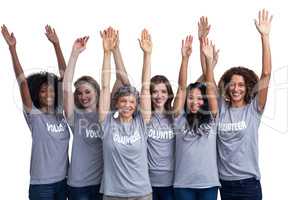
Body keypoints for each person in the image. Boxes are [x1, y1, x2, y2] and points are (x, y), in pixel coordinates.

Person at [1, 25, 70, 200]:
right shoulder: (34, 114)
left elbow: (66, 78)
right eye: (43, 91)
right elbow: (23, 82)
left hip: (64, 182)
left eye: (51, 90)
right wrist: (12, 49)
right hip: (42, 186)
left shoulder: (61, 114)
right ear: (36, 95)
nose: (49, 94)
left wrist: (56, 45)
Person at [217, 9, 273, 200]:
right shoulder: (221, 109)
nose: (236, 89)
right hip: (223, 184)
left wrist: (265, 37)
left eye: (241, 84)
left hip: (248, 184)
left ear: (248, 87)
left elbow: (266, 74)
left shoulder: (253, 110)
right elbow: (208, 78)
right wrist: (206, 55)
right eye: (232, 84)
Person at [99, 28, 152, 200]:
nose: (127, 105)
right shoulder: (107, 123)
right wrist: (106, 53)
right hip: (113, 194)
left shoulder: (141, 123)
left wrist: (147, 55)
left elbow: (145, 88)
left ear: (136, 105)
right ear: (116, 103)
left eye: (131, 102)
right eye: (123, 101)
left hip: (141, 194)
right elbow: (106, 87)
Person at [172, 34, 220, 200]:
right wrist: (185, 58)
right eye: (191, 98)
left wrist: (208, 61)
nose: (194, 101)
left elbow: (211, 86)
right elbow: (181, 88)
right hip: (183, 185)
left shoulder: (213, 119)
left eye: (199, 98)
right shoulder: (179, 119)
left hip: (209, 185)